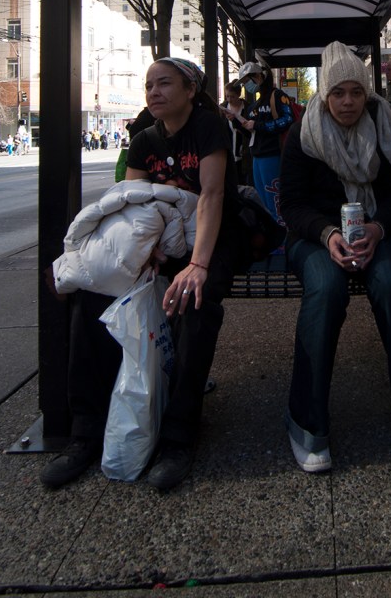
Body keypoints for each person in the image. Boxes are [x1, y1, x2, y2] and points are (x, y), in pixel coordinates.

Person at [40, 57, 243, 492]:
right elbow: (130, 204)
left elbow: (211, 194)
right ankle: (86, 433)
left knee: (194, 302)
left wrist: (198, 265)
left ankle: (177, 436)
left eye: (164, 84)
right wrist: (141, 257)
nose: (153, 92)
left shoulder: (209, 127)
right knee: (91, 297)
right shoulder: (142, 139)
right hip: (162, 242)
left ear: (190, 90)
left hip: (213, 239)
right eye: (149, 85)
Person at [280, 40, 391, 473]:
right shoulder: (302, 135)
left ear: (367, 92)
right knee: (326, 290)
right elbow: (291, 204)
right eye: (337, 94)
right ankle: (307, 422)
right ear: (323, 96)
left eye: (355, 92)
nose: (348, 102)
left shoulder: (386, 127)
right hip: (315, 237)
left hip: (377, 232)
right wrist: (328, 233)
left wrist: (376, 228)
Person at [237, 61, 293, 223]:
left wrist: (259, 125)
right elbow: (251, 131)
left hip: (273, 154)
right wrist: (237, 121)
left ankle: (283, 236)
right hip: (257, 155)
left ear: (258, 76)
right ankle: (274, 234)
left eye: (247, 80)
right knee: (263, 199)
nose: (246, 86)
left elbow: (288, 119)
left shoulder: (277, 96)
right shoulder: (255, 104)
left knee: (275, 197)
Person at [221, 81, 253, 186]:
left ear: (239, 95)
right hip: (227, 153)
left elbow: (250, 133)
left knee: (243, 183)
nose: (229, 100)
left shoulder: (248, 108)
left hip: (244, 154)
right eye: (227, 96)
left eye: (232, 97)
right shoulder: (222, 108)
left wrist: (236, 122)